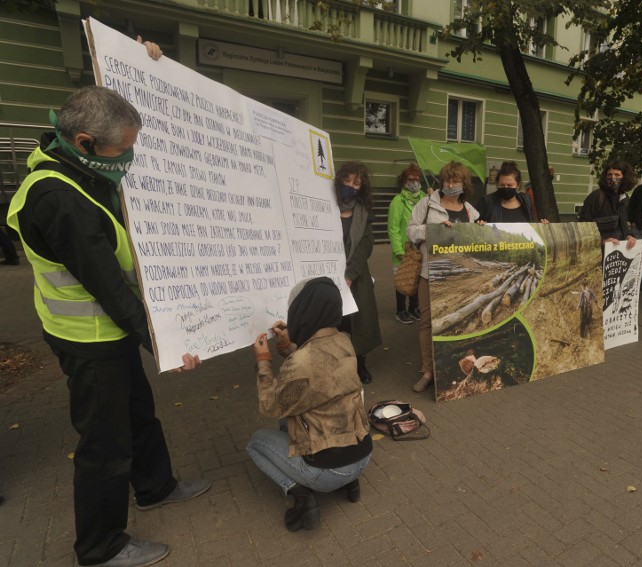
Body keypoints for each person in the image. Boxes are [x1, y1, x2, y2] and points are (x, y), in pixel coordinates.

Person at [5, 40, 209, 567]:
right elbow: (112, 292)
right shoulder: (59, 200)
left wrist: (143, 64)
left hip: (109, 336)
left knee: (139, 416)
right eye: (124, 151)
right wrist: (167, 345)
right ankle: (101, 547)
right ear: (84, 141)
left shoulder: (79, 167)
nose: (131, 159)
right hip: (89, 341)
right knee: (104, 444)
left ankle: (156, 486)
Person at [246, 277, 372, 532]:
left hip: (327, 472)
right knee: (289, 418)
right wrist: (289, 346)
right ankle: (351, 484)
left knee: (256, 443)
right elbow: (319, 369)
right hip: (363, 457)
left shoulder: (302, 361)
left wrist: (263, 361)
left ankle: (302, 496)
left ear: (304, 312)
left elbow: (269, 406)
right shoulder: (345, 340)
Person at [406, 161, 480, 392]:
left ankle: (454, 365)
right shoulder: (427, 204)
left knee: (460, 319)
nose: (451, 184)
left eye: (456, 181)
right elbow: (410, 231)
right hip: (431, 274)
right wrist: (431, 231)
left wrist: (481, 229)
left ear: (463, 183)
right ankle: (428, 371)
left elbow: (476, 241)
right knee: (428, 323)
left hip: (461, 275)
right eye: (448, 180)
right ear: (442, 181)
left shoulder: (470, 210)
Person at [335, 162, 381, 384]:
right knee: (335, 322)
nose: (351, 186)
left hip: (357, 275)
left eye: (356, 182)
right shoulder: (326, 206)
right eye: (347, 180)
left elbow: (366, 244)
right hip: (328, 273)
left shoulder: (363, 210)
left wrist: (351, 273)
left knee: (358, 322)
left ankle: (360, 364)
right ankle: (335, 365)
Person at [387, 163, 426, 324]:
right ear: (404, 181)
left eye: (417, 179)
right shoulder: (398, 201)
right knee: (403, 280)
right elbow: (393, 227)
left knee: (416, 280)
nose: (414, 182)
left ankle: (413, 308)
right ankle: (401, 310)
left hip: (420, 249)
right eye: (410, 179)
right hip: (404, 250)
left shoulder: (425, 198)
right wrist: (398, 250)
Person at [578, 159, 637, 249]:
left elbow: (623, 224)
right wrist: (602, 241)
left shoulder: (624, 198)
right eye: (609, 174)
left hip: (618, 250)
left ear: (624, 177)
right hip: (598, 252)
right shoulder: (596, 197)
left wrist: (629, 235)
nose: (612, 177)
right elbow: (583, 226)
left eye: (617, 175)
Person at [475, 161, 547, 223]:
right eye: (502, 185)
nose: (506, 187)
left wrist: (541, 226)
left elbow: (532, 224)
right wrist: (480, 224)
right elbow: (475, 227)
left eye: (510, 185)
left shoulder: (526, 200)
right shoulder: (486, 201)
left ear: (518, 185)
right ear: (497, 184)